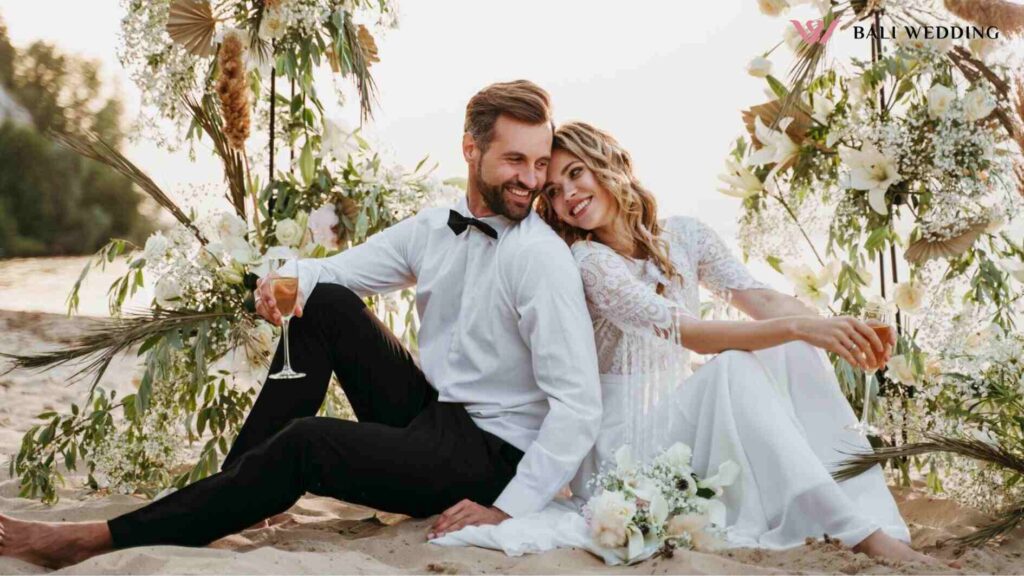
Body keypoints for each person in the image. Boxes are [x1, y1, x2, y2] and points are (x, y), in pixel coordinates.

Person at [0, 81, 603, 569]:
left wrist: (509, 508)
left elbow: (578, 405)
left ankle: (94, 539)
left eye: (539, 162)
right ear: (471, 151)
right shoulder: (434, 225)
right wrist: (281, 287)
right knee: (329, 302)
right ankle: (238, 493)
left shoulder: (538, 258)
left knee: (308, 442)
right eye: (514, 159)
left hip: (492, 460)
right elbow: (329, 273)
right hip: (436, 418)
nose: (530, 178)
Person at [433, 121, 946, 566]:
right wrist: (802, 327)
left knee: (790, 348)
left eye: (575, 174)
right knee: (732, 369)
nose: (567, 195)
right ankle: (856, 533)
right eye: (554, 192)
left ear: (608, 164)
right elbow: (692, 335)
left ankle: (868, 513)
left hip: (676, 421)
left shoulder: (687, 235)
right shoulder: (590, 263)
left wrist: (832, 324)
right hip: (620, 442)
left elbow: (761, 301)